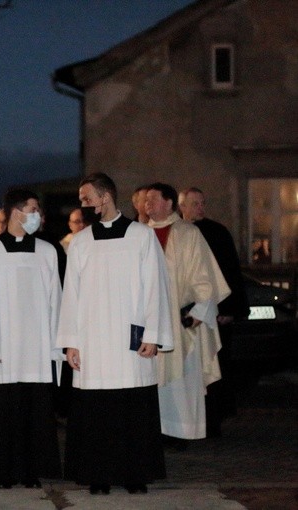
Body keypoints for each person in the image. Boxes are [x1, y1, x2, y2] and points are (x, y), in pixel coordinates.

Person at [57, 172, 173, 495]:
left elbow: (155, 287)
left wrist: (152, 333)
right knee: (97, 411)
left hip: (129, 340)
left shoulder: (141, 237)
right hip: (92, 341)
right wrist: (70, 343)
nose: (83, 204)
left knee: (132, 406)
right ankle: (99, 475)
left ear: (105, 197)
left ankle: (135, 474)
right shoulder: (80, 243)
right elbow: (71, 295)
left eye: (87, 198)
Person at [0, 188, 63, 489]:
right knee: (3, 411)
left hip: (36, 348)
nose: (38, 216)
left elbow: (56, 300)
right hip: (2, 349)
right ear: (16, 212)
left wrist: (55, 344)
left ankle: (32, 470)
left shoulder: (47, 251)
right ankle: (3, 471)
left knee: (33, 411)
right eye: (33, 210)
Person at [145, 182, 230, 445]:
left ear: (169, 203)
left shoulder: (188, 233)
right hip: (150, 320)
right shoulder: (139, 235)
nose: (147, 205)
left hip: (181, 319)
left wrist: (197, 312)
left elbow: (205, 278)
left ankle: (181, 432)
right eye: (145, 201)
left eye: (152, 199)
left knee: (182, 379)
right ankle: (155, 431)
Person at [178, 187, 249, 436]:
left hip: (215, 314)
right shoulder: (178, 233)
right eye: (195, 203)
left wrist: (229, 309)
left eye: (202, 203)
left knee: (215, 366)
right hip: (186, 315)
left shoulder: (217, 232)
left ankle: (213, 422)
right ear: (182, 207)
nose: (200, 208)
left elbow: (230, 273)